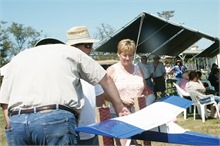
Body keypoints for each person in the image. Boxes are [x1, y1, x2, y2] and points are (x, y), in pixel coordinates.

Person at [0, 38, 130, 145]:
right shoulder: (69, 51)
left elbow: (4, 101)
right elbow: (105, 78)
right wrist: (119, 107)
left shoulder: (19, 57)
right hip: (54, 120)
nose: (90, 48)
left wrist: (11, 125)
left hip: (17, 122)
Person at [66, 26, 107, 145]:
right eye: (87, 46)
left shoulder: (93, 68)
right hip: (71, 131)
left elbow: (100, 98)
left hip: (92, 130)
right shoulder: (64, 70)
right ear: (74, 48)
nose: (91, 49)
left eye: (91, 45)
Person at [107, 39, 150, 146]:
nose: (127, 58)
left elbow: (145, 89)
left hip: (139, 114)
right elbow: (104, 94)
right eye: (124, 55)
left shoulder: (138, 69)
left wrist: (142, 97)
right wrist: (121, 99)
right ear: (118, 54)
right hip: (120, 114)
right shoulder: (112, 70)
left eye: (130, 55)